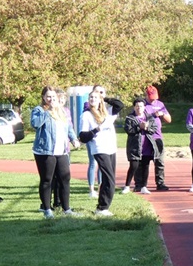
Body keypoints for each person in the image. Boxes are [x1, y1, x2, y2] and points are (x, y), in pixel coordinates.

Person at [31, 86, 80, 218]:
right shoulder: (39, 110)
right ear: (43, 98)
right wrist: (48, 111)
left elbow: (68, 127)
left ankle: (66, 209)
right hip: (45, 151)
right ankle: (47, 209)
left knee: (65, 178)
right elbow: (35, 124)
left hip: (62, 151)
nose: (51, 99)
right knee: (47, 180)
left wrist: (73, 139)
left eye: (53, 96)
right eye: (48, 96)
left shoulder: (62, 111)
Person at [80, 90, 124, 216]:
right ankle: (103, 208)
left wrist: (105, 98)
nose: (93, 99)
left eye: (95, 97)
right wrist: (96, 130)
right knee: (110, 179)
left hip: (111, 148)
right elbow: (83, 136)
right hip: (99, 149)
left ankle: (101, 207)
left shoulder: (108, 112)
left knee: (108, 178)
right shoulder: (86, 115)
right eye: (91, 97)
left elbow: (119, 105)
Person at [122, 97, 158, 195]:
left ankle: (144, 186)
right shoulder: (130, 118)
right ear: (134, 107)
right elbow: (128, 130)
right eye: (137, 106)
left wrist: (146, 128)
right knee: (133, 166)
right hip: (135, 147)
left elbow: (154, 128)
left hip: (147, 146)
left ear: (144, 107)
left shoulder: (149, 117)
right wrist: (139, 127)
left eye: (141, 106)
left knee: (146, 166)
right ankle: (127, 186)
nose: (139, 108)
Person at [144, 85, 171, 191]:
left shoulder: (160, 104)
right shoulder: (142, 104)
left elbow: (169, 120)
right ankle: (141, 184)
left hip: (157, 136)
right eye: (151, 98)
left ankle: (160, 183)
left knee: (159, 160)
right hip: (145, 136)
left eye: (155, 97)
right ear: (146, 95)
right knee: (144, 161)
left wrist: (162, 114)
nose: (153, 100)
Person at [85, 84, 106, 198]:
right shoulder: (88, 108)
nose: (98, 94)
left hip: (102, 140)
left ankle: (100, 187)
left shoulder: (104, 108)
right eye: (96, 92)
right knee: (93, 162)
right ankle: (91, 189)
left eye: (101, 92)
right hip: (91, 139)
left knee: (102, 164)